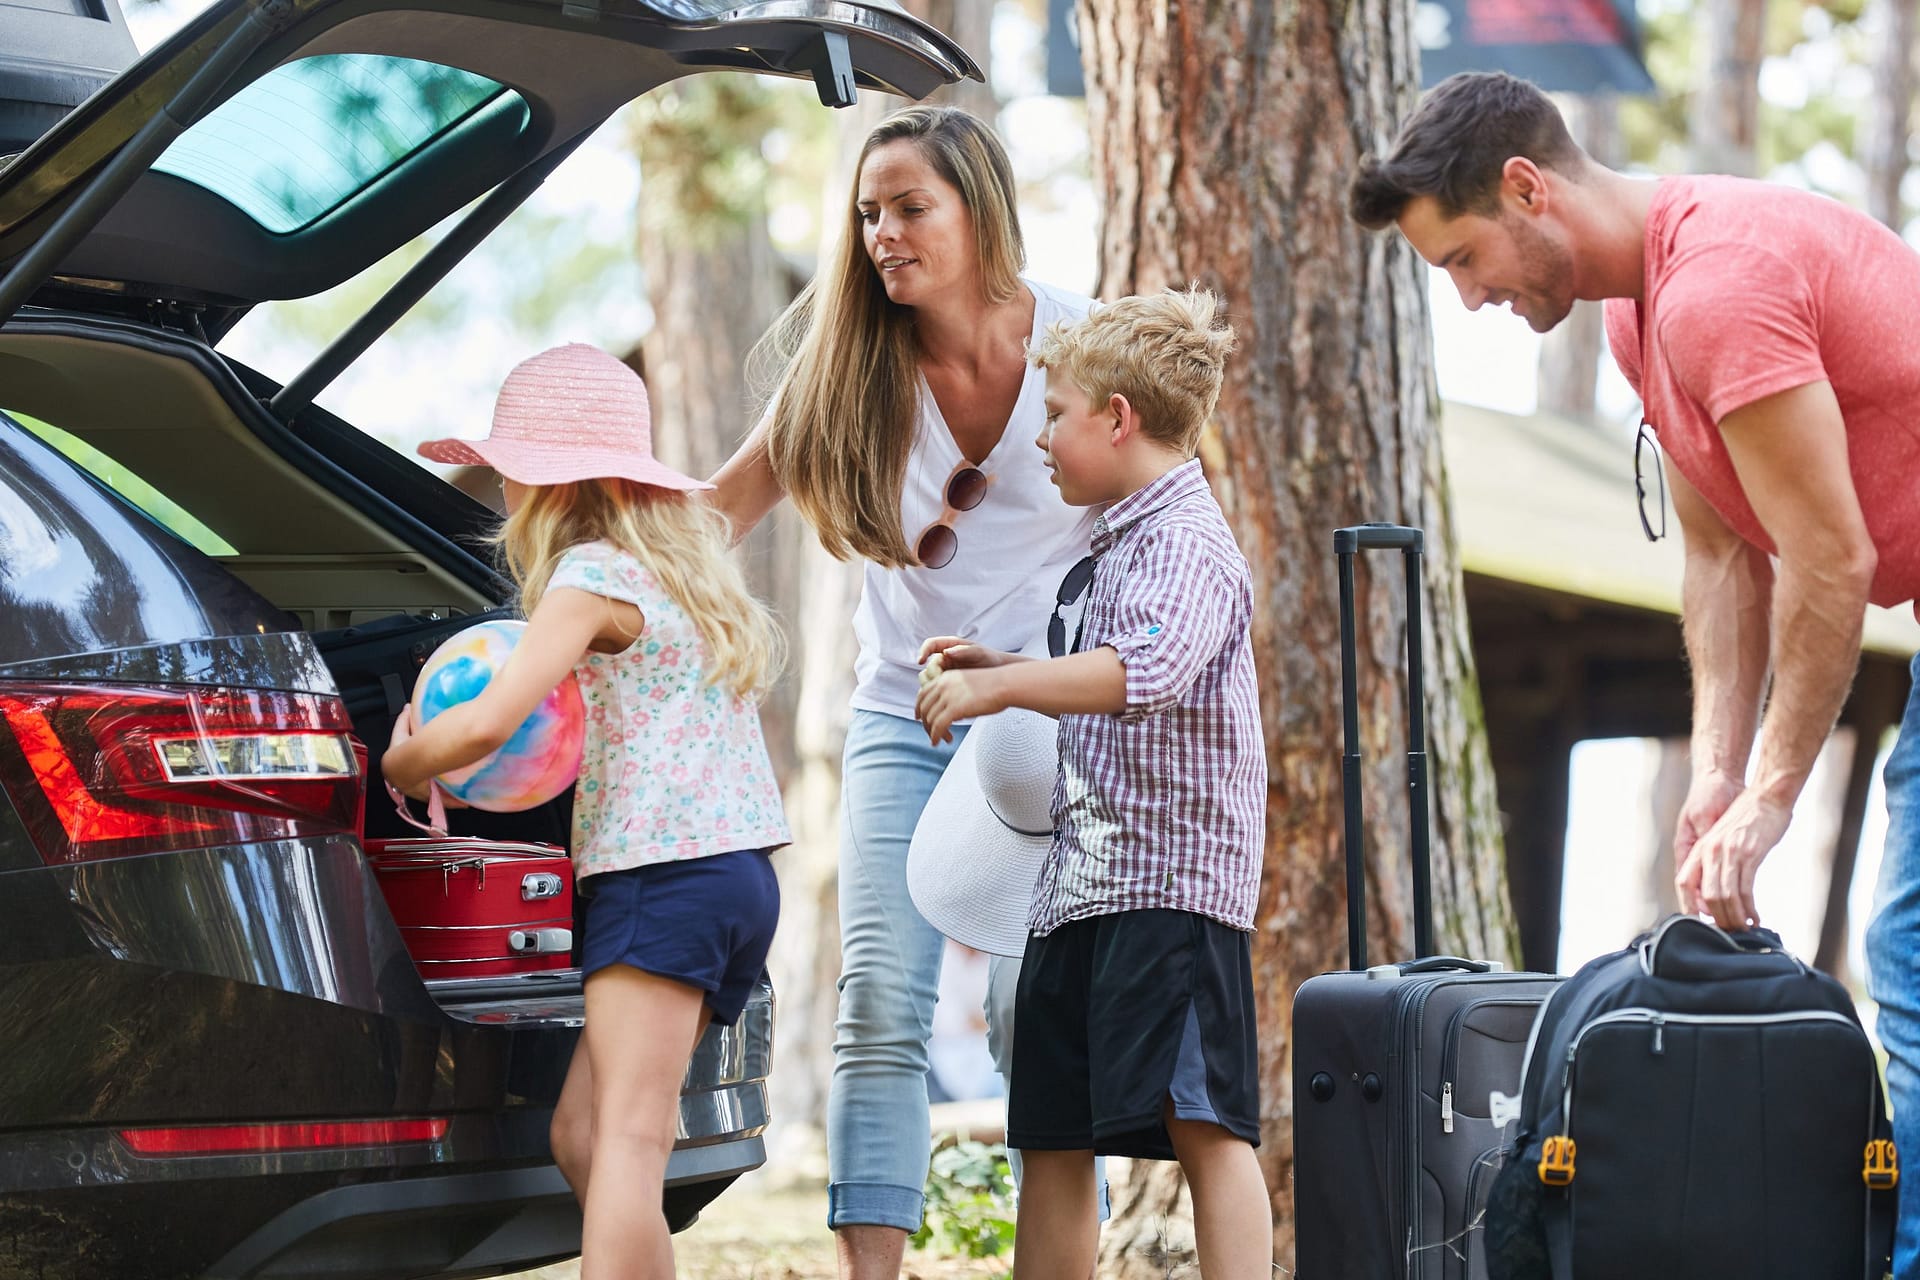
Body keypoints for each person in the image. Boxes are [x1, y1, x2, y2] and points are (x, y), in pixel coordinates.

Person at [1348, 68, 1920, 1271]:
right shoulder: (1638, 312)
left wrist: (1773, 797)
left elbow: (1829, 560)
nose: (1468, 297)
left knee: (1909, 965)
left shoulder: (1718, 285)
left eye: (1462, 260)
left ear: (1527, 188)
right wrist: (1717, 770)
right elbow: (1724, 560)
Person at [707, 104, 1099, 1277]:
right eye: (869, 213)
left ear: (979, 214)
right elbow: (713, 513)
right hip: (903, 715)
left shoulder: (1084, 345)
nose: (883, 232)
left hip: (1043, 725)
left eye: (910, 207)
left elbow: (1169, 522)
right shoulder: (846, 369)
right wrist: (578, 516)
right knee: (881, 997)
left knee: (1039, 1014)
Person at [384, 343, 788, 1280]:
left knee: (627, 1149)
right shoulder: (682, 570)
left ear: (550, 480)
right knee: (584, 1136)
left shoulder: (591, 579)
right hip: (734, 880)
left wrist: (405, 757)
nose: (505, 489)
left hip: (660, 877)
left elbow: (488, 721)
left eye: (511, 470)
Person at [915, 287, 1274, 1280]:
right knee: (1052, 1131)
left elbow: (1139, 671)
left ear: (1117, 417)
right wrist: (1000, 658)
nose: (1041, 439)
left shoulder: (1188, 543)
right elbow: (1101, 664)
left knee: (1203, 1120)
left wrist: (998, 683)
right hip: (1084, 883)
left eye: (1058, 413)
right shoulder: (1119, 541)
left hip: (1172, 890)